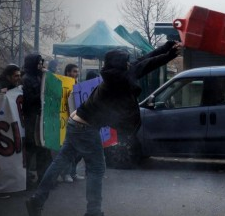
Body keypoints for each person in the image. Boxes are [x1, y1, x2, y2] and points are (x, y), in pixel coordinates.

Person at [26, 40, 182, 216]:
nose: (130, 63)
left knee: (60, 162)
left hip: (75, 122)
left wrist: (167, 46)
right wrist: (170, 55)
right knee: (97, 168)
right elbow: (147, 64)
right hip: (86, 128)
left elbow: (143, 60)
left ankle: (37, 200)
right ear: (121, 65)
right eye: (126, 61)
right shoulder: (121, 79)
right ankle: (93, 212)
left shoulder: (115, 75)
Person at [22, 54, 53, 190]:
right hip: (32, 119)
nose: (41, 65)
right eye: (38, 63)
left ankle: (44, 179)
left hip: (40, 118)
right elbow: (28, 100)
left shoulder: (39, 76)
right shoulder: (26, 79)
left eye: (42, 62)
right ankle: (26, 180)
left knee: (43, 150)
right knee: (31, 151)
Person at [59, 63, 85, 183]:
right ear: (68, 72)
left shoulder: (77, 85)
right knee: (68, 150)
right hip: (66, 120)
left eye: (77, 71)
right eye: (74, 71)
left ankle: (72, 172)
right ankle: (66, 173)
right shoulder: (63, 85)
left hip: (76, 120)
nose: (77, 73)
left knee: (77, 150)